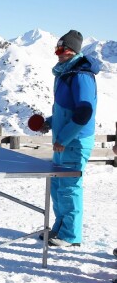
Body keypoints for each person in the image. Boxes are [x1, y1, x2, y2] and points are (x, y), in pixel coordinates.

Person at [39, 30, 98, 248]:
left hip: (74, 142)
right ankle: (60, 228)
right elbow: (65, 111)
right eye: (56, 49)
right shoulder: (67, 74)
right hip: (64, 141)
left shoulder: (82, 76)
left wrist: (63, 138)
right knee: (57, 185)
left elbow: (83, 113)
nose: (58, 54)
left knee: (69, 187)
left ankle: (70, 235)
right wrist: (50, 122)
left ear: (72, 51)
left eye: (62, 49)